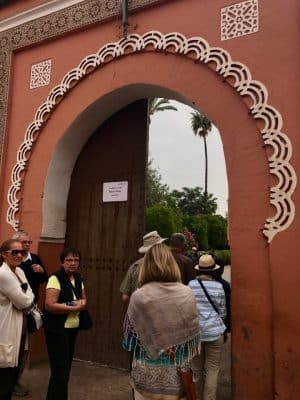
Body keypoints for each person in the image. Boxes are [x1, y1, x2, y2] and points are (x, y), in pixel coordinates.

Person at [123, 243, 201, 400]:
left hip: (145, 377)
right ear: (172, 264)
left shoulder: (139, 296)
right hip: (176, 376)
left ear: (146, 266)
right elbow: (193, 339)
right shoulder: (187, 293)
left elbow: (128, 341)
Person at [43, 248, 87, 400]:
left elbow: (83, 298)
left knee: (65, 371)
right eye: (69, 260)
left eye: (76, 260)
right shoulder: (56, 278)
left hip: (72, 329)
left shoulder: (78, 278)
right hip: (57, 330)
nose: (73, 263)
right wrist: (73, 306)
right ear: (62, 262)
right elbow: (49, 305)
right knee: (60, 372)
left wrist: (80, 303)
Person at [11, 230, 48, 396]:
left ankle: (15, 380)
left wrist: (41, 271)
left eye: (28, 242)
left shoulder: (35, 259)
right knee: (11, 346)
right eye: (23, 242)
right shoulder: (12, 262)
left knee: (25, 347)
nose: (26, 245)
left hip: (30, 309)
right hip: (13, 310)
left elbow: (44, 279)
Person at [188, 254, 227, 400]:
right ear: (213, 270)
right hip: (214, 332)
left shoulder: (190, 285)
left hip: (195, 332)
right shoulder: (218, 286)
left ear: (198, 269)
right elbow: (222, 312)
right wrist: (221, 328)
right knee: (212, 369)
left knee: (196, 368)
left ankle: (196, 397)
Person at [0, 239, 34, 400]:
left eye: (22, 251)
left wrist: (26, 297)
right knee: (5, 377)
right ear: (4, 255)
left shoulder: (19, 272)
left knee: (13, 373)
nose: (20, 255)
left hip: (19, 331)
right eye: (15, 252)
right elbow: (25, 301)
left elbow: (30, 297)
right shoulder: (3, 275)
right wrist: (26, 297)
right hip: (6, 330)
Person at [120, 231, 166, 303]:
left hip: (136, 311)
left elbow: (125, 297)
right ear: (158, 247)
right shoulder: (165, 266)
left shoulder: (135, 266)